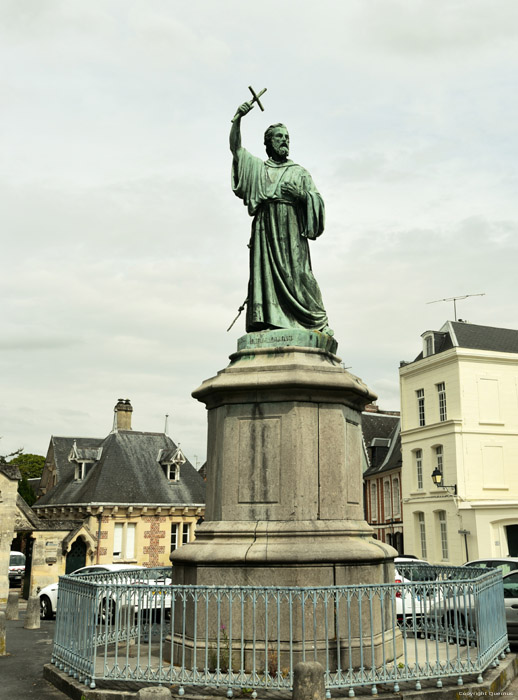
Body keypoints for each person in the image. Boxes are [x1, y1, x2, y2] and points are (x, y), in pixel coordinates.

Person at [230, 102, 332, 334]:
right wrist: (238, 119)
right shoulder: (257, 168)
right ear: (268, 143)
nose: (284, 141)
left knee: (300, 274)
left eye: (287, 137)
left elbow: (318, 204)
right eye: (278, 137)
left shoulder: (299, 172)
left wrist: (302, 196)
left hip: (292, 228)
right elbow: (236, 150)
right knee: (265, 277)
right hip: (266, 229)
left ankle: (316, 321)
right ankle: (269, 320)